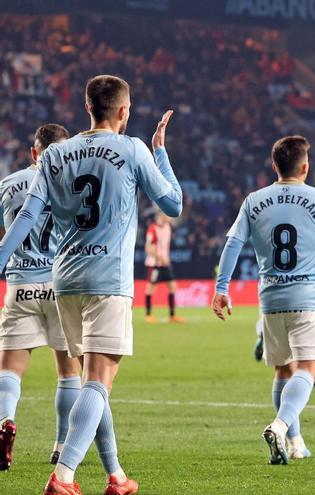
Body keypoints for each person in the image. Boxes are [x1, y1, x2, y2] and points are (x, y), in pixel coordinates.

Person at [0, 75, 183, 495]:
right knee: (98, 383)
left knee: (91, 384)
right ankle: (63, 477)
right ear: (123, 111)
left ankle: (115, 475)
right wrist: (160, 152)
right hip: (108, 280)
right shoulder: (133, 148)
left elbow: (26, 217)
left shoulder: (56, 154)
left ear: (87, 108)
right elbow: (172, 203)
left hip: (64, 280)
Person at [212, 135, 315, 464]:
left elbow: (233, 245)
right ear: (306, 167)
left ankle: (295, 442)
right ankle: (281, 426)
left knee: (283, 370)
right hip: (307, 298)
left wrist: (221, 287)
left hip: (270, 298)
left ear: (274, 166)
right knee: (308, 369)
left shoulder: (254, 200)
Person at [0, 124, 82, 470]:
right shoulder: (73, 187)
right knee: (68, 372)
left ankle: (5, 421)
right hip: (60, 285)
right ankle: (62, 442)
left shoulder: (6, 185)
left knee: (9, 370)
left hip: (20, 285)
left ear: (34, 152)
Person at [144, 212, 183, 323]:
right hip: (155, 264)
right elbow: (148, 248)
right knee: (150, 289)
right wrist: (160, 258)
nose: (170, 218)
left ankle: (172, 316)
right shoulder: (152, 229)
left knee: (173, 287)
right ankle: (148, 315)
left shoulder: (167, 227)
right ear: (162, 216)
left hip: (165, 264)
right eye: (168, 216)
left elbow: (174, 222)